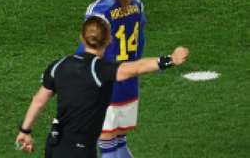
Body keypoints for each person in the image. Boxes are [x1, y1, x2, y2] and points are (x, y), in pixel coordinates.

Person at [14, 17, 188, 156]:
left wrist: (25, 131)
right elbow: (138, 67)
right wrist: (171, 59)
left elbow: (38, 101)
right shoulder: (102, 70)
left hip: (54, 146)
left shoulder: (58, 65)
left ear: (81, 38)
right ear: (109, 40)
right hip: (80, 150)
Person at [79, 0, 146, 157]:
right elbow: (141, 43)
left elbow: (87, 53)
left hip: (106, 87)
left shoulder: (98, 11)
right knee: (118, 143)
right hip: (129, 84)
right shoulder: (136, 3)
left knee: (107, 147)